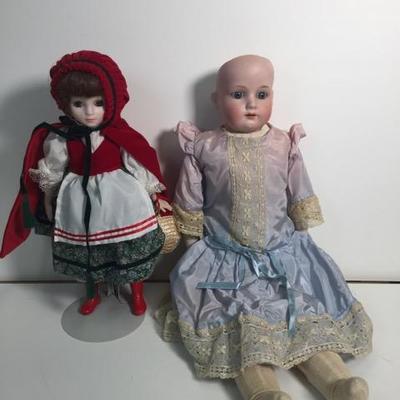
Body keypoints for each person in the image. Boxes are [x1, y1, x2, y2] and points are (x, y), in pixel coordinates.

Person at [157, 55, 372, 400]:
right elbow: (191, 199)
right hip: (225, 260)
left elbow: (298, 190)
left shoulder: (283, 144)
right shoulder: (205, 148)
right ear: (216, 99)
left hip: (282, 254)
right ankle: (264, 390)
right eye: (238, 94)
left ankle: (336, 382)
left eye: (262, 94)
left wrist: (301, 235)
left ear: (273, 94)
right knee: (239, 324)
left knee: (301, 312)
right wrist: (193, 246)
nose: (251, 105)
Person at [1, 50, 179, 316]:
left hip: (122, 201)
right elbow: (53, 169)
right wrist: (48, 198)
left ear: (113, 101)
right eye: (79, 103)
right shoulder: (61, 138)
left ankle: (137, 292)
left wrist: (154, 194)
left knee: (128, 249)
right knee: (88, 253)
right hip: (79, 202)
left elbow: (138, 163)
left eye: (98, 103)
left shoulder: (119, 134)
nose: (89, 112)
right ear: (65, 104)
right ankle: (92, 293)